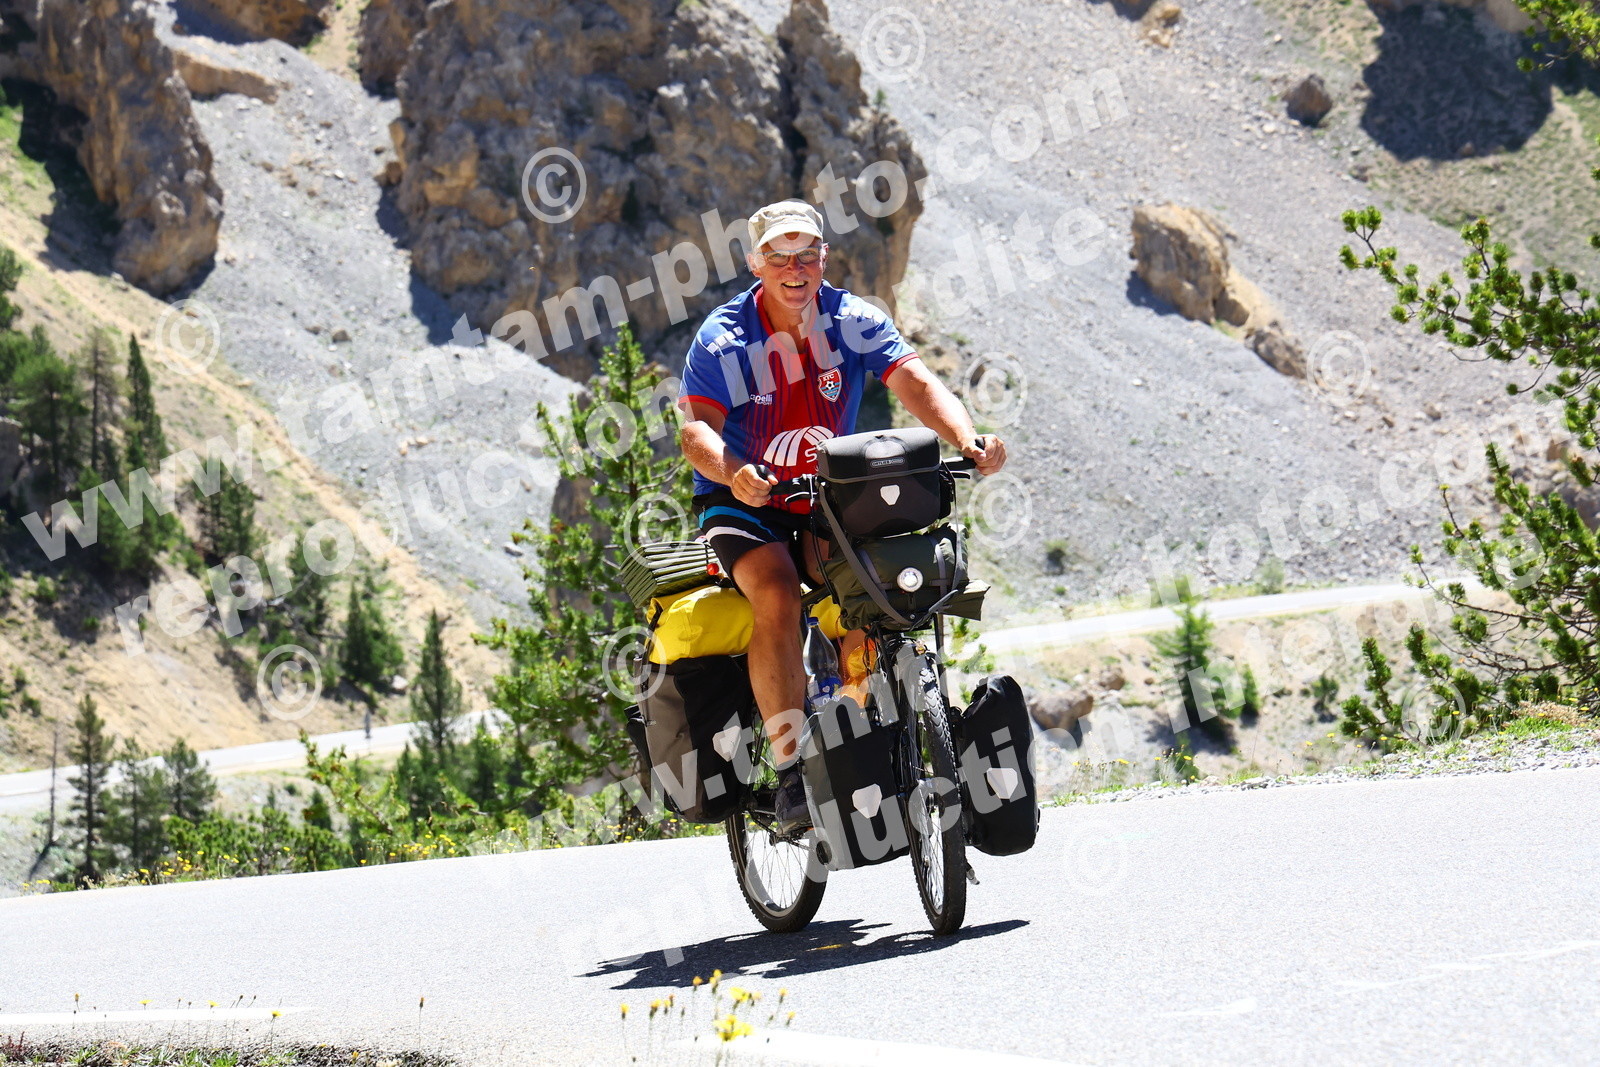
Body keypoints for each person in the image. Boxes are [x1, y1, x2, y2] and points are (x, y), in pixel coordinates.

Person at [677, 199, 1007, 832]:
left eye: (807, 254)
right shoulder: (725, 338)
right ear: (756, 262)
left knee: (875, 586)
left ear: (824, 257)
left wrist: (968, 439)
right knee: (776, 592)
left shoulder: (852, 320)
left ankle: (862, 728)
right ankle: (792, 772)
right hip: (744, 498)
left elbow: (915, 383)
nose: (795, 268)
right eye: (779, 255)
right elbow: (697, 432)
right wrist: (734, 472)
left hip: (825, 496)